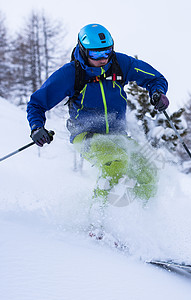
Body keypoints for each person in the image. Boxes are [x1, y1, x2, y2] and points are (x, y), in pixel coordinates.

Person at [26, 23, 169, 203]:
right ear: (84, 51)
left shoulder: (120, 64)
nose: (103, 58)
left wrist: (157, 92)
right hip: (86, 136)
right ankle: (97, 221)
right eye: (95, 54)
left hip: (118, 135)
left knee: (147, 171)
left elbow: (155, 78)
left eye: (107, 52)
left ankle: (140, 217)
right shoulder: (70, 74)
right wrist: (37, 127)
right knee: (116, 163)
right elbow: (36, 103)